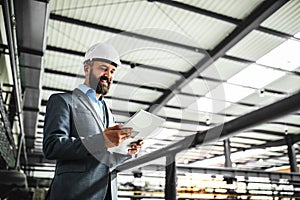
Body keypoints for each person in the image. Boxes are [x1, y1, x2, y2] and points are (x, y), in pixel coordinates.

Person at [43, 43, 143, 200]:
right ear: (87, 68)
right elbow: (53, 146)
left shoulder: (108, 113)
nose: (108, 75)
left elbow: (107, 158)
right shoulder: (63, 101)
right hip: (75, 193)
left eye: (112, 71)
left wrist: (127, 151)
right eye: (103, 68)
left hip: (107, 193)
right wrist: (102, 140)